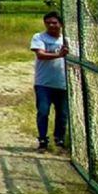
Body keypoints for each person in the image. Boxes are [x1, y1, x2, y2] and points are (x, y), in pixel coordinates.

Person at [30, 11, 69, 152]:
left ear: (61, 24)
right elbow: (40, 55)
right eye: (48, 23)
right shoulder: (39, 37)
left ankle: (59, 140)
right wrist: (59, 54)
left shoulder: (66, 40)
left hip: (62, 83)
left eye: (54, 23)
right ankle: (42, 140)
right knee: (43, 111)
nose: (51, 25)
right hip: (44, 83)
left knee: (62, 114)